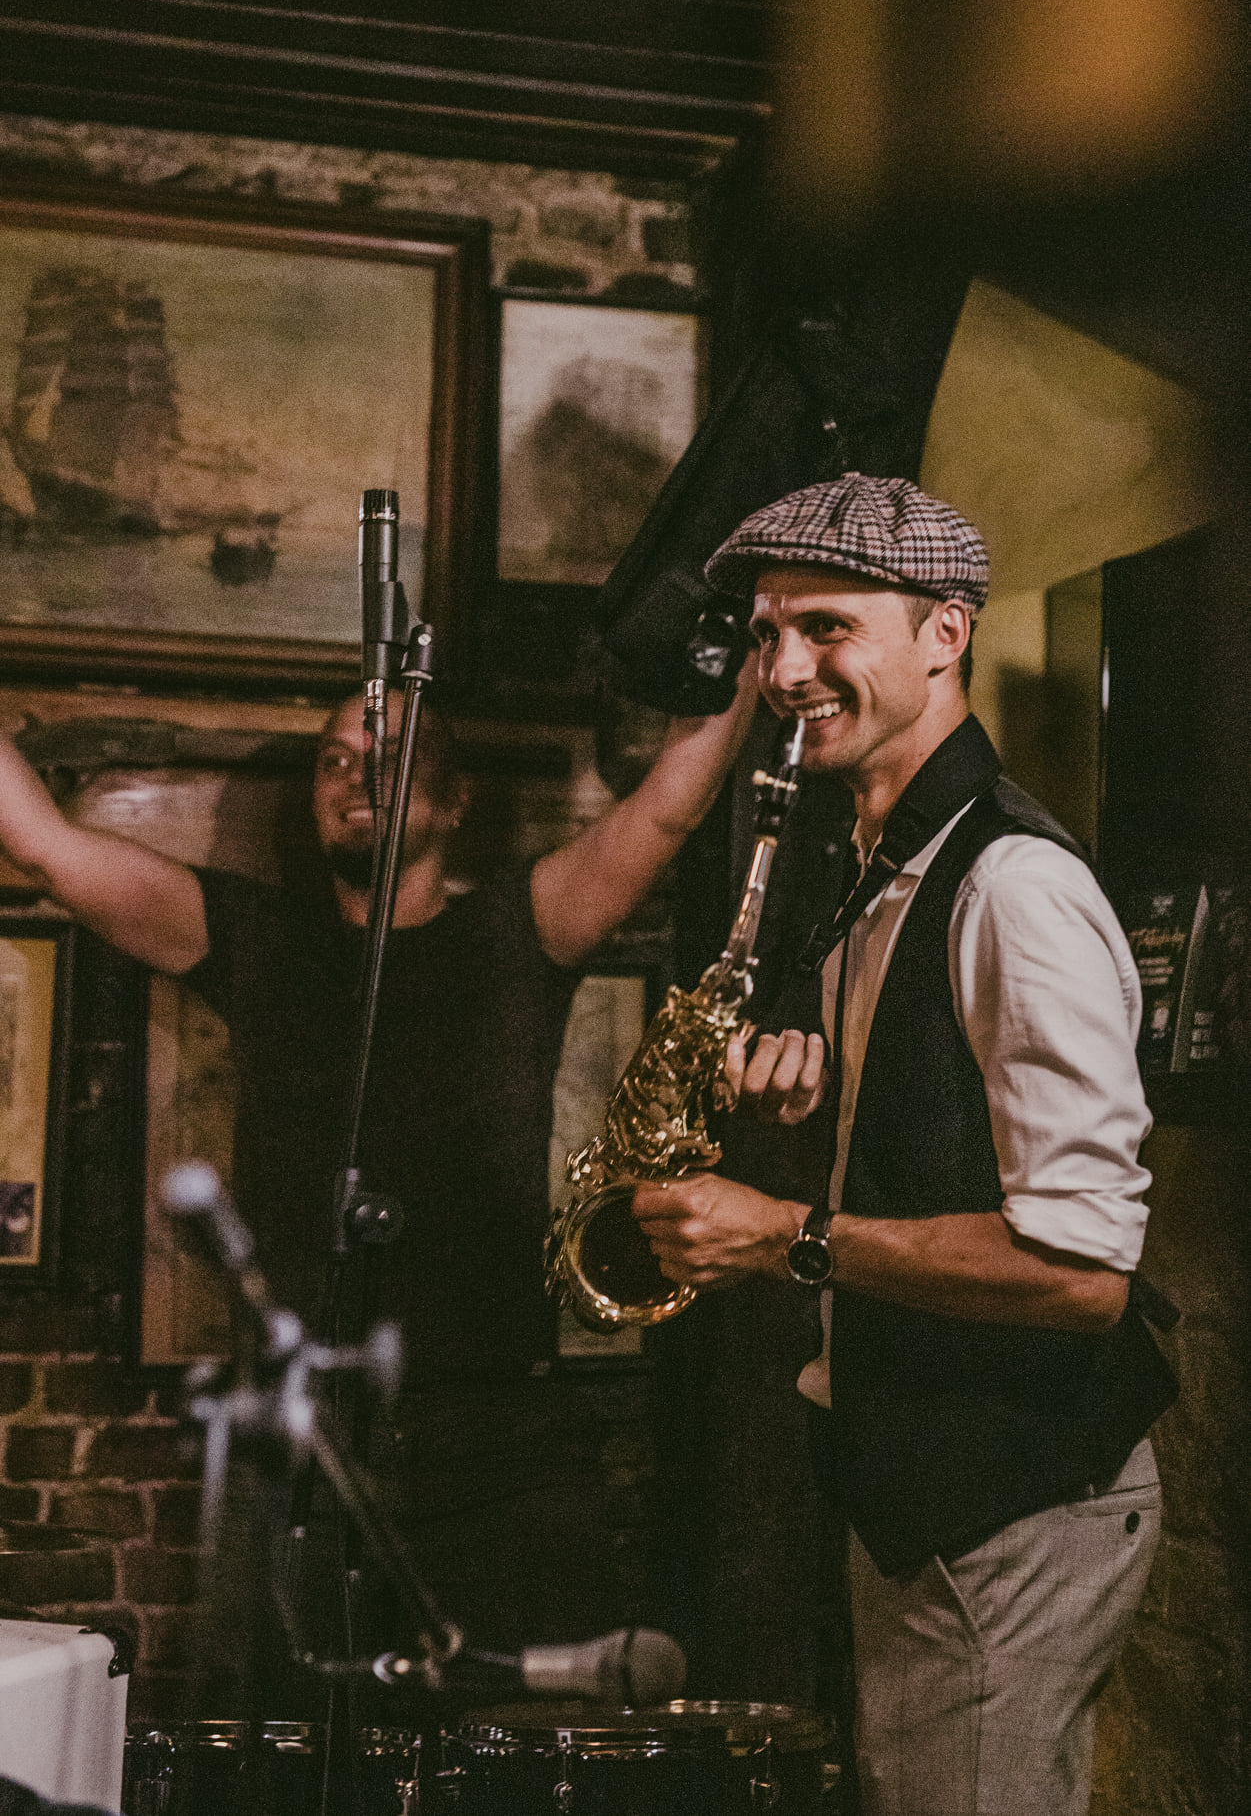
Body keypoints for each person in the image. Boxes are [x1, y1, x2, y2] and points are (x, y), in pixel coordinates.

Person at [0, 672, 757, 1658]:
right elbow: (44, 848)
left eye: (390, 758)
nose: (355, 779)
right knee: (296, 1739)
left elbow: (668, 810)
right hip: (310, 1449)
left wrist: (755, 647)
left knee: (530, 1738)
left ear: (455, 798)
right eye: (335, 760)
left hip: (500, 1443)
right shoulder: (257, 937)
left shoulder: (518, 928)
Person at [632, 474, 1176, 1816]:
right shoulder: (885, 863)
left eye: (827, 628)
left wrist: (783, 1234)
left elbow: (1082, 1277)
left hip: (1012, 1498)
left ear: (945, 633)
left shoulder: (1015, 886)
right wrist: (819, 1113)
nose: (782, 672)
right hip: (931, 1488)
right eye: (768, 633)